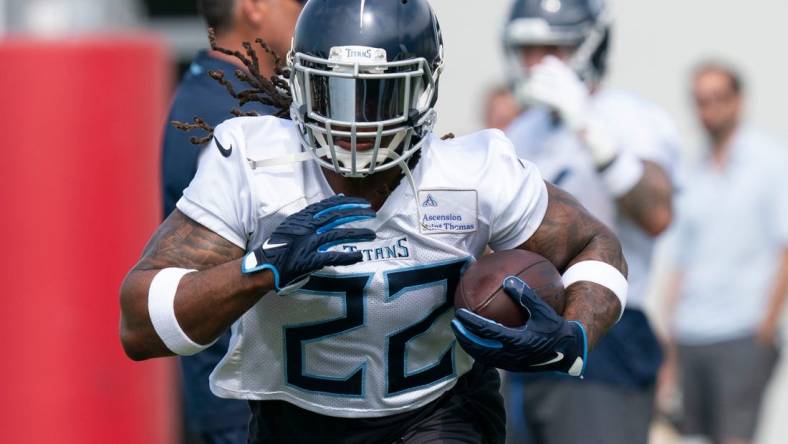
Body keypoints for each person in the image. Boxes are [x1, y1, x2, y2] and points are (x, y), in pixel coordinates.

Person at [121, 1, 629, 443]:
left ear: (424, 88)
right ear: (300, 81)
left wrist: (573, 335)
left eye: (378, 94)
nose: (355, 121)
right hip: (296, 424)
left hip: (439, 414)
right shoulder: (255, 165)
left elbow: (594, 243)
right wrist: (258, 269)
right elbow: (138, 327)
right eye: (334, 93)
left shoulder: (473, 172)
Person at [502, 1, 680, 443]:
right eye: (527, 48)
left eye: (552, 47)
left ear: (589, 46)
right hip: (525, 337)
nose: (535, 62)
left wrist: (592, 131)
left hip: (605, 332)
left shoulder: (631, 117)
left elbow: (657, 214)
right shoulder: (523, 131)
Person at [160, 0, 304, 442]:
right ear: (255, 6)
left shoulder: (213, 93)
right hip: (243, 403)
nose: (310, 11)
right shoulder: (230, 120)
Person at [661, 61, 788, 444]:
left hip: (741, 332)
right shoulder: (690, 171)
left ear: (738, 101)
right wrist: (671, 339)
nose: (708, 109)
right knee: (693, 439)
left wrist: (764, 327)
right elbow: (680, 261)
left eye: (717, 99)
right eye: (700, 101)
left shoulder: (770, 163)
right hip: (693, 332)